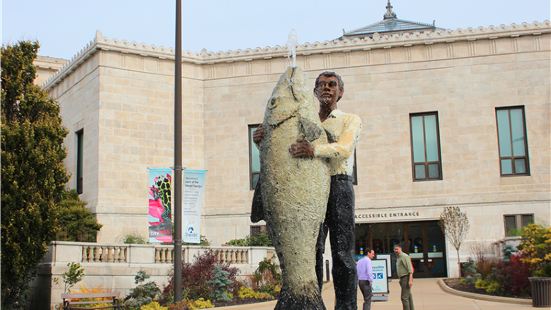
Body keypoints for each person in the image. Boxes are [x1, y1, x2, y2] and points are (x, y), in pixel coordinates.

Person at [254, 71, 362, 310]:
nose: (326, 88)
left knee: (342, 253)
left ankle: (346, 307)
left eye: (332, 85)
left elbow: (344, 148)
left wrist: (314, 150)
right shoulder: (305, 118)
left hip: (338, 185)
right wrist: (262, 140)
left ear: (340, 92)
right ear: (314, 92)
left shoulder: (350, 119)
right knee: (311, 251)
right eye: (321, 85)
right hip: (306, 191)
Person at [394, 244, 415, 310]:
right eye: (395, 249)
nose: (396, 250)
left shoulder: (404, 256)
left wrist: (410, 280)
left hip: (406, 278)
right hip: (402, 278)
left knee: (404, 297)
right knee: (408, 296)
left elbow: (410, 269)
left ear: (400, 249)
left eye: (397, 249)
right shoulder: (398, 257)